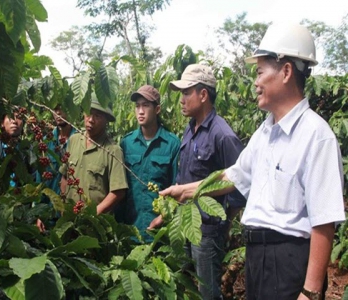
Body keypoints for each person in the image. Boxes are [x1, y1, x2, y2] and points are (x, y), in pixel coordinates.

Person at [160, 23, 345, 300]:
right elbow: (231, 177)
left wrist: (310, 291)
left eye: (260, 72)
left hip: (289, 260)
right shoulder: (265, 132)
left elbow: (323, 222)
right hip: (257, 258)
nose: (255, 83)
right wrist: (184, 192)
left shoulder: (316, 136)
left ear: (285, 72)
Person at [169, 64, 245, 300]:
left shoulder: (222, 134)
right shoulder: (190, 129)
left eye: (186, 93)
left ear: (203, 95)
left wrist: (224, 224)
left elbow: (240, 185)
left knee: (207, 292)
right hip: (185, 223)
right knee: (181, 284)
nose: (181, 100)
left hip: (208, 230)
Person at [116, 85, 180, 241]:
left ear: (157, 109)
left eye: (145, 105)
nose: (140, 111)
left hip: (160, 232)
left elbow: (177, 189)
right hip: (130, 231)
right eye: (137, 106)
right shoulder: (126, 143)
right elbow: (121, 190)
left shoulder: (172, 144)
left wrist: (164, 217)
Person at [59, 100, 128, 215]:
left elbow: (118, 192)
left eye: (97, 116)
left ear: (106, 120)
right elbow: (64, 177)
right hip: (70, 218)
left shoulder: (113, 151)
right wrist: (63, 206)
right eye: (88, 113)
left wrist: (93, 214)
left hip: (95, 224)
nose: (91, 120)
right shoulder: (74, 140)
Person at [36, 105, 76, 231]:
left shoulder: (80, 140)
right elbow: (40, 180)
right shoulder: (46, 143)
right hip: (49, 214)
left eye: (61, 108)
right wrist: (39, 213)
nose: (58, 113)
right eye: (54, 109)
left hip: (72, 213)